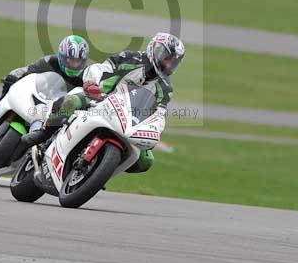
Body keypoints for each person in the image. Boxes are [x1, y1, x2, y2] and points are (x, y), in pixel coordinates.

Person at [21, 32, 185, 173]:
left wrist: (153, 133)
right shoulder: (130, 58)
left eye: (173, 62)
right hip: (99, 100)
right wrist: (92, 83)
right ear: (155, 50)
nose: (169, 64)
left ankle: (100, 168)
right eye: (167, 58)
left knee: (146, 160)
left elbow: (159, 115)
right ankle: (44, 133)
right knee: (70, 102)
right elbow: (101, 69)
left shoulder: (165, 88)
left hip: (128, 122)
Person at [0, 34, 94, 131]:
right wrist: (16, 78)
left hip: (57, 109)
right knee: (12, 78)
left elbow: (88, 94)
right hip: (39, 95)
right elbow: (28, 72)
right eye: (70, 60)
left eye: (78, 62)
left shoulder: (85, 75)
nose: (73, 65)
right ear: (62, 56)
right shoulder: (49, 61)